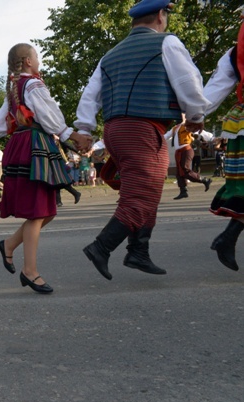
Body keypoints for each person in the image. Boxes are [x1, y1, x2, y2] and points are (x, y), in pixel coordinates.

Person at [74, 0, 210, 280]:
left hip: (116, 129)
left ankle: (139, 252)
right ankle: (101, 247)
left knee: (148, 191)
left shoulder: (109, 55)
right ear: (161, 16)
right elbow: (188, 82)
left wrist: (86, 129)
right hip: (142, 128)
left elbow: (90, 94)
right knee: (141, 194)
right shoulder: (167, 43)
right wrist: (196, 114)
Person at [0, 43, 88, 293]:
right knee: (39, 212)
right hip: (33, 146)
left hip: (24, 145)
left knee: (46, 211)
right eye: (36, 56)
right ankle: (30, 271)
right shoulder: (32, 85)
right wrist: (70, 134)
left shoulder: (16, 87)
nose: (38, 60)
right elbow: (48, 115)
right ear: (27, 61)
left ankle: (9, 245)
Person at [202, 9, 244, 271]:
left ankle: (227, 239)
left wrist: (193, 115)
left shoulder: (234, 52)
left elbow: (213, 91)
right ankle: (227, 239)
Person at [165, 120, 212, 200]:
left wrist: (212, 138)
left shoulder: (187, 125)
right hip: (178, 152)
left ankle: (205, 180)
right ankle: (183, 191)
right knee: (179, 172)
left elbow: (199, 131)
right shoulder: (175, 128)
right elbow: (165, 136)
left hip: (186, 149)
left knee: (185, 169)